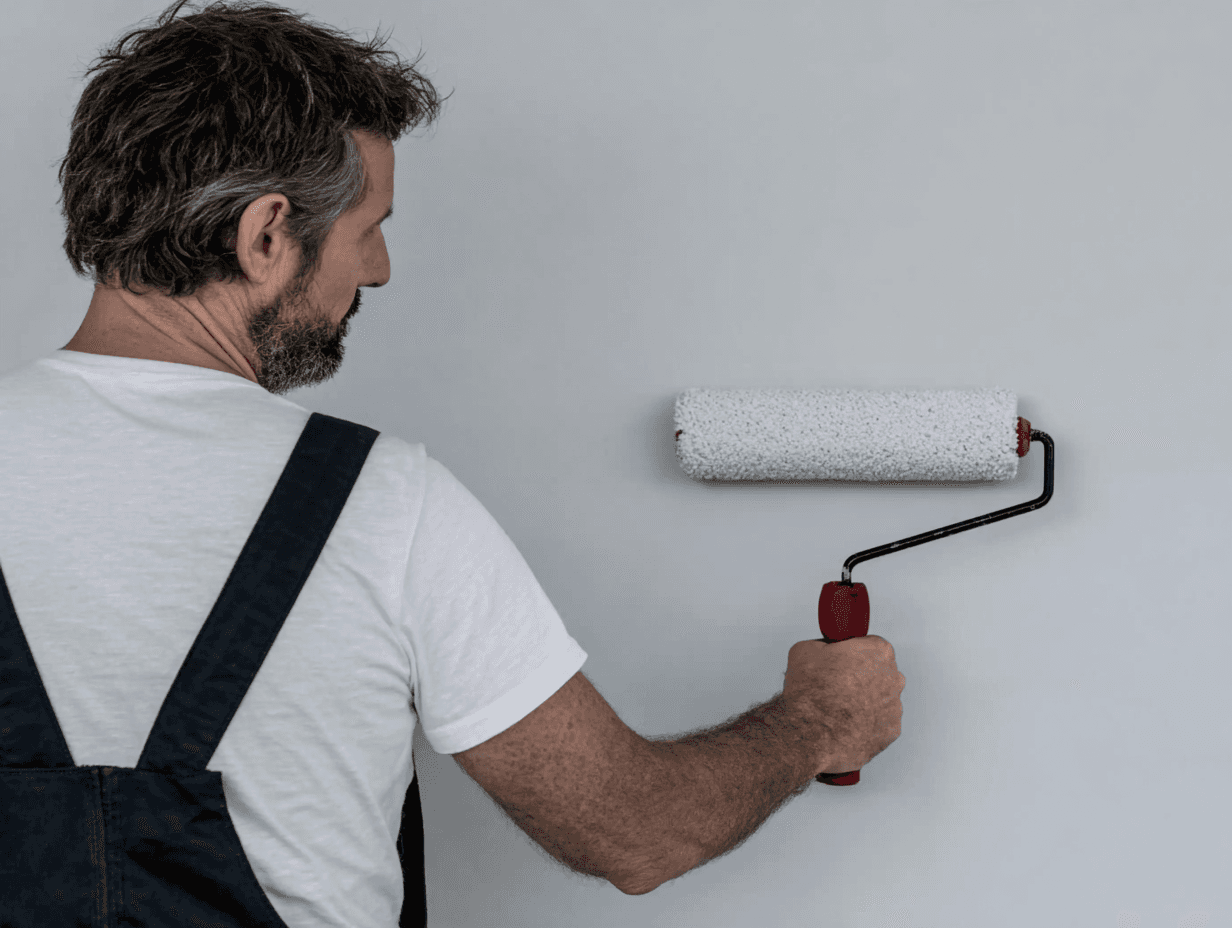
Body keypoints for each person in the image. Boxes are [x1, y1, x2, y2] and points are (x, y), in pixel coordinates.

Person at [0, 1, 905, 925]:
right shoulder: (380, 505)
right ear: (267, 234)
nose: (380, 268)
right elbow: (634, 832)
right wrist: (819, 722)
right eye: (370, 225)